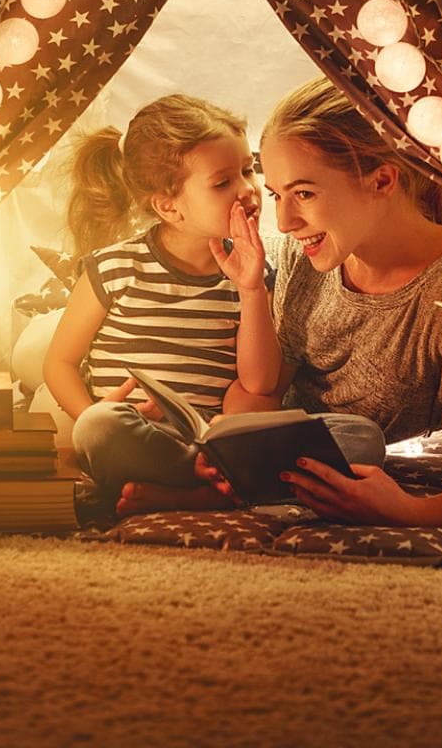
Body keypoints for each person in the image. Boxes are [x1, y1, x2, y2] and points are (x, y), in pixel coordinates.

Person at [209, 76, 442, 526]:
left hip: (356, 454)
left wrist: (409, 511)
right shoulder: (306, 260)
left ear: (382, 180)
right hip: (295, 453)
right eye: (277, 194)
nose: (285, 219)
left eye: (304, 193)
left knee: (359, 440)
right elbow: (263, 393)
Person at [42, 94, 275, 512]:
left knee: (357, 437)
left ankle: (186, 493)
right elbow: (59, 362)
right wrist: (90, 411)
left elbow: (259, 384)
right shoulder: (113, 268)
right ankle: (197, 487)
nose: (247, 190)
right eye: (223, 183)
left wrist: (252, 288)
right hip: (131, 435)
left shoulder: (255, 274)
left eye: (248, 170)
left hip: (207, 442)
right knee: (100, 428)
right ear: (169, 206)